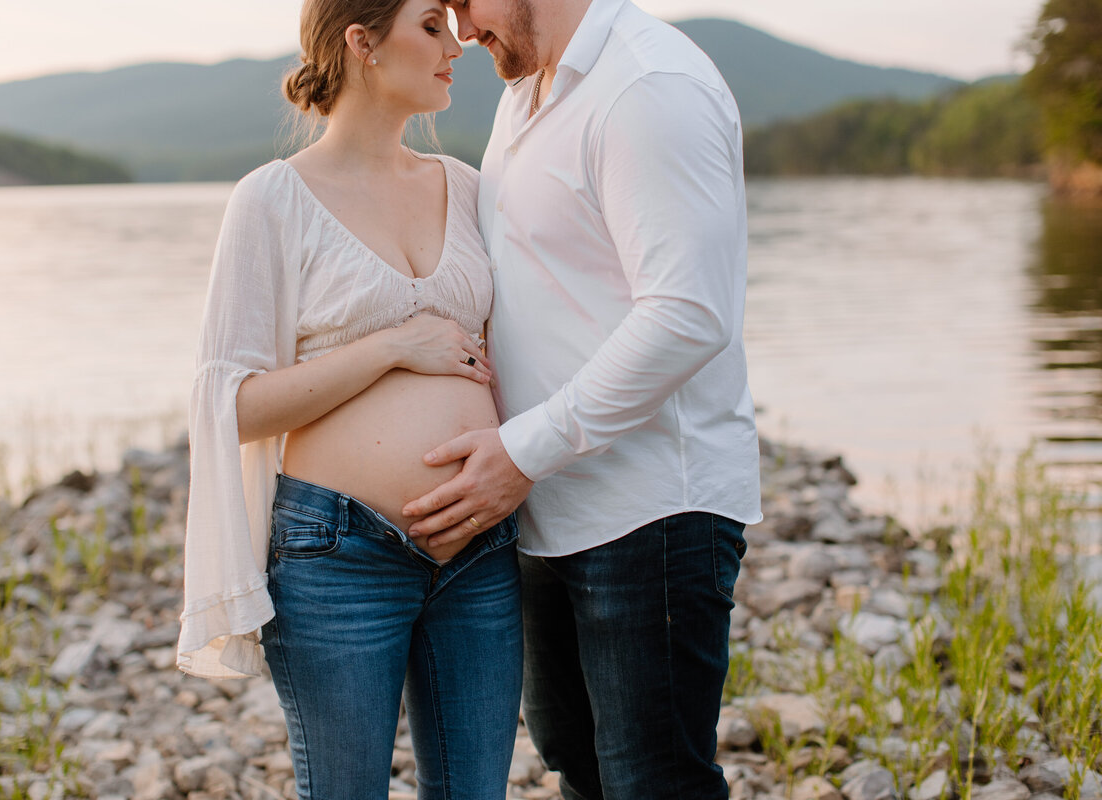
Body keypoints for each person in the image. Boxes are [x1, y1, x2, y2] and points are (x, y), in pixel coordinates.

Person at [402, 0, 763, 797]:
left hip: (651, 513)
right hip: (547, 506)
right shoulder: (523, 90)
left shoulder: (648, 85)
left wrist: (523, 451)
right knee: (580, 766)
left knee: (653, 781)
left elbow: (687, 314)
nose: (461, 29)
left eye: (466, 3)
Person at [174, 0, 523, 797]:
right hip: (340, 558)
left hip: (479, 543)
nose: (456, 45)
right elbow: (230, 406)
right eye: (431, 25)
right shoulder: (271, 200)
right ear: (362, 42)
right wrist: (391, 346)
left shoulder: (469, 188)